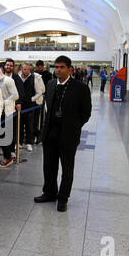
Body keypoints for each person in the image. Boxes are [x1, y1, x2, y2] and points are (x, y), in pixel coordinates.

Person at [34, 56, 92, 212]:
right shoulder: (51, 84)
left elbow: (86, 113)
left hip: (68, 134)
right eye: (56, 67)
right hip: (50, 133)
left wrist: (74, 126)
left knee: (67, 168)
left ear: (69, 69)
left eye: (61, 67)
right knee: (49, 166)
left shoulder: (80, 88)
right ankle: (49, 193)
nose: (58, 70)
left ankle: (63, 198)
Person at [2, 59, 25, 159]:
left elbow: (20, 92)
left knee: (11, 130)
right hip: (0, 108)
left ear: (13, 67)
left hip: (11, 109)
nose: (8, 67)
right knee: (2, 129)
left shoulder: (16, 78)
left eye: (11, 65)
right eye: (7, 65)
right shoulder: (1, 77)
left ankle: (11, 150)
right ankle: (5, 149)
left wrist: (18, 103)